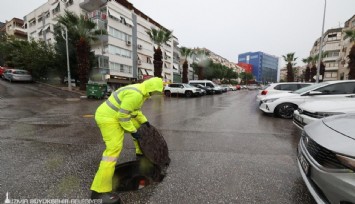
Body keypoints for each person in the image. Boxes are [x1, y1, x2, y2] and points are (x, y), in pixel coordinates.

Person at [90, 77, 164, 202]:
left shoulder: (142, 92)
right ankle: (99, 191)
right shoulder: (136, 94)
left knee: (137, 127)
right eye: (156, 92)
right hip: (108, 118)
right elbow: (123, 116)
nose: (156, 95)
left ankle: (141, 154)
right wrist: (134, 132)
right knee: (113, 151)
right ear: (151, 89)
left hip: (114, 115)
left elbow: (135, 112)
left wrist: (145, 122)